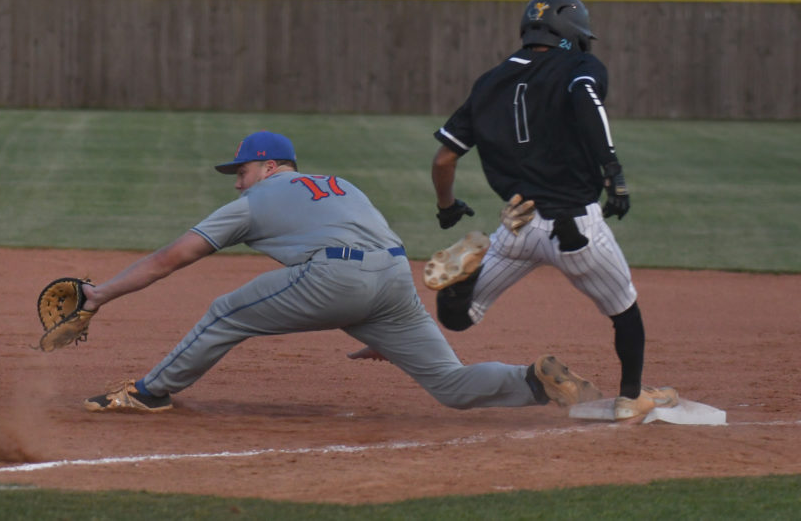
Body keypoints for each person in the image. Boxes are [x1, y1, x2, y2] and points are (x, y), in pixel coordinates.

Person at [75, 130, 601, 414]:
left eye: (242, 170)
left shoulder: (260, 197)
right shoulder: (343, 185)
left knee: (225, 312)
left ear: (269, 166)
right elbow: (382, 246)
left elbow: (172, 258)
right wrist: (385, 324)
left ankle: (148, 393)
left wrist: (100, 295)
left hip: (337, 280)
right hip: (394, 281)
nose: (238, 183)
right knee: (451, 385)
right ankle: (533, 381)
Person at [427, 0, 677, 421]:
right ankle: (631, 397)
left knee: (462, 317)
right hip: (574, 227)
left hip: (516, 226)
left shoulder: (490, 81)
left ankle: (457, 286)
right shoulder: (580, 68)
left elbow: (444, 158)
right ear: (572, 33)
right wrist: (612, 172)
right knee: (625, 311)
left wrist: (447, 207)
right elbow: (586, 99)